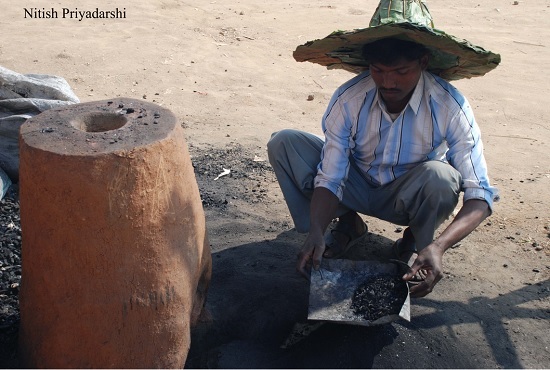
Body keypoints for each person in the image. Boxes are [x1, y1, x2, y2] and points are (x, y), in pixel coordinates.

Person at [267, 0, 500, 298]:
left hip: (407, 196)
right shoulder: (350, 98)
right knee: (284, 143)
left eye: (401, 71)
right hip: (356, 184)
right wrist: (315, 231)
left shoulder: (449, 106)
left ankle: (415, 243)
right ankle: (347, 224)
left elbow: (480, 194)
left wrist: (440, 246)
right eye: (378, 70)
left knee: (442, 177)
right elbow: (331, 175)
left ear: (424, 63)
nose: (388, 82)